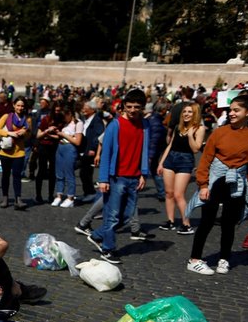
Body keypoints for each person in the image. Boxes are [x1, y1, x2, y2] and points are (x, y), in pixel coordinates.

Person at [186, 94, 248, 275]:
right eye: (230, 110)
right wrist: (202, 185)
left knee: (229, 223)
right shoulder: (219, 132)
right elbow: (205, 160)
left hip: (237, 183)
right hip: (215, 181)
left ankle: (224, 258)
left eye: (236, 110)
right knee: (207, 221)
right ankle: (194, 259)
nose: (231, 113)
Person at [85, 89, 151, 264]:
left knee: (128, 215)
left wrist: (144, 174)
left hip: (134, 177)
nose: (132, 110)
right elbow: (106, 153)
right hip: (117, 177)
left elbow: (144, 150)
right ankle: (108, 249)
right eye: (129, 106)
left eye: (137, 107)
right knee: (112, 216)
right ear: (124, 106)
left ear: (142, 107)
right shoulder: (115, 125)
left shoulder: (145, 125)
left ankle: (97, 235)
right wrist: (103, 179)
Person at [157, 101, 204, 234]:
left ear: (195, 113)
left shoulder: (199, 128)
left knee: (178, 195)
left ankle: (186, 224)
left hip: (185, 160)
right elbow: (171, 145)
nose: (186, 114)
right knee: (168, 193)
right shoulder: (178, 126)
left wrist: (190, 135)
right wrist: (161, 162)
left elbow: (196, 149)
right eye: (184, 112)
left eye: (189, 112)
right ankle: (171, 221)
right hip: (170, 159)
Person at [0, 96, 31, 210]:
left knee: (17, 176)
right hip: (5, 151)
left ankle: (18, 199)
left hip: (19, 152)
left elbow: (28, 137)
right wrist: (10, 133)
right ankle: (5, 197)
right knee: (5, 175)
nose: (20, 108)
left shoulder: (27, 120)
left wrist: (24, 133)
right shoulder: (6, 116)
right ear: (14, 105)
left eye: (22, 106)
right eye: (18, 105)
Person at [51, 101, 84, 208]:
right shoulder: (65, 123)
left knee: (69, 174)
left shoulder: (78, 123)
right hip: (60, 147)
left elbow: (77, 141)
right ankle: (59, 195)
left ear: (70, 113)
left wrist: (63, 134)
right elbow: (61, 137)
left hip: (70, 149)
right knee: (59, 173)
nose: (63, 118)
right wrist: (51, 134)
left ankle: (70, 197)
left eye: (65, 116)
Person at [33, 99, 63, 205]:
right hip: (44, 146)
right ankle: (38, 195)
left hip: (55, 147)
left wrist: (53, 134)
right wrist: (48, 131)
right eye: (56, 110)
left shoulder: (62, 120)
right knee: (41, 170)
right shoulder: (46, 119)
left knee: (52, 172)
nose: (57, 112)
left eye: (59, 110)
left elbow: (60, 136)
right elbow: (38, 135)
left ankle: (50, 195)